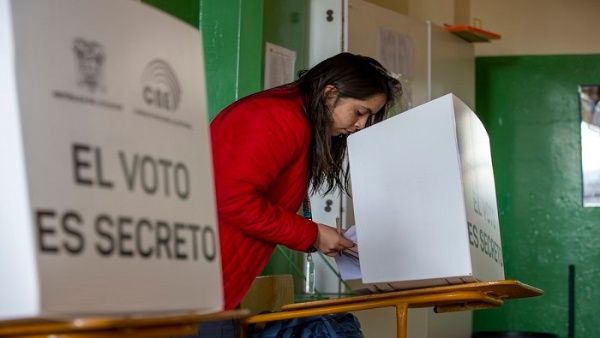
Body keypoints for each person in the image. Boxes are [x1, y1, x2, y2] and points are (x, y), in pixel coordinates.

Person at [198, 52, 400, 337]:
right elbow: (231, 197)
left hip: (218, 289)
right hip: (201, 290)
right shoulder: (276, 117)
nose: (360, 126)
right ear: (330, 94)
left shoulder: (294, 118)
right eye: (359, 112)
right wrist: (312, 233)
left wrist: (315, 234)